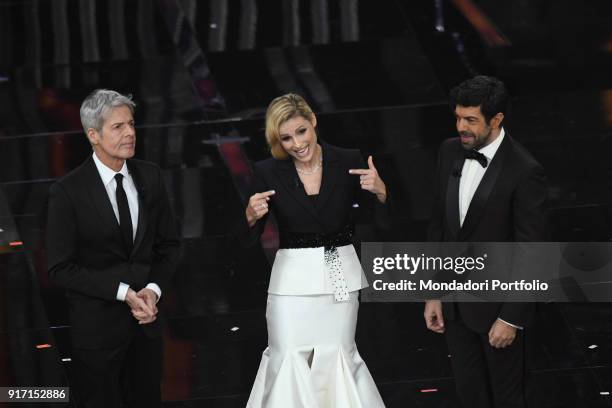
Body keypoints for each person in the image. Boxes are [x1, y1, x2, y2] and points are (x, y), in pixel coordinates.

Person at [242, 93, 387, 407]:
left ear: (313, 122)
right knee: (288, 355)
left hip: (337, 265)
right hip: (291, 275)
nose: (297, 143)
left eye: (301, 131)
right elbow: (246, 233)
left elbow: (375, 220)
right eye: (286, 138)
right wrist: (251, 215)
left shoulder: (348, 160)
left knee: (337, 355)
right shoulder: (268, 171)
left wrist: (380, 192)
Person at [46, 89, 181, 408]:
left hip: (146, 333)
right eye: (118, 127)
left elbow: (169, 246)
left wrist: (152, 289)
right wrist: (123, 292)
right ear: (93, 134)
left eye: (131, 124)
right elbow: (60, 268)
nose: (130, 133)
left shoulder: (150, 176)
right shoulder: (67, 192)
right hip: (96, 335)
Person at [424, 76, 547, 408]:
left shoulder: (524, 170)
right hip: (456, 309)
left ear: (496, 120)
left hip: (499, 312)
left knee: (509, 399)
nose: (461, 126)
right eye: (458, 117)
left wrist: (511, 317)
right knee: (470, 395)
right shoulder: (449, 151)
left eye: (471, 120)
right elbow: (440, 226)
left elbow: (531, 252)